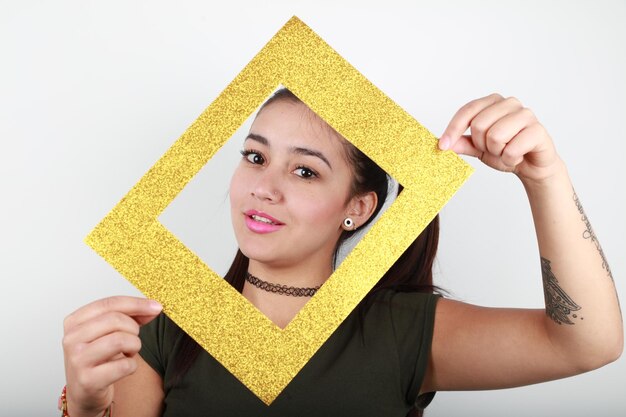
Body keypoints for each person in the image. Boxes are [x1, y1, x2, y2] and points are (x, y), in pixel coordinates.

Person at [61, 88, 623, 417]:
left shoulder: (401, 330)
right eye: (255, 157)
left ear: (357, 208)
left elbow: (586, 344)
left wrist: (544, 178)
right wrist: (85, 409)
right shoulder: (163, 328)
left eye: (305, 170)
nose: (265, 186)